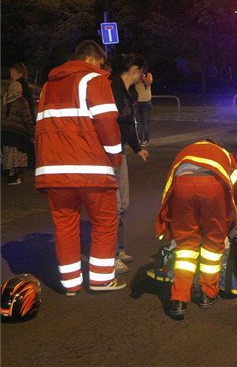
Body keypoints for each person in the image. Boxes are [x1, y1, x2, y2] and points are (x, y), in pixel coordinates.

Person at [35, 40, 125, 295]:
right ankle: (101, 279)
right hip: (91, 168)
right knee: (105, 223)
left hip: (54, 171)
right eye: (101, 63)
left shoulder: (48, 86)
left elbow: (41, 127)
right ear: (92, 59)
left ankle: (70, 284)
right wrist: (115, 158)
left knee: (65, 226)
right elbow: (107, 123)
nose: (102, 68)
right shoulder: (92, 79)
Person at [155, 139, 237, 319]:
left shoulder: (186, 152)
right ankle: (208, 294)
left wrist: (171, 226)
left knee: (185, 249)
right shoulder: (228, 158)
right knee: (212, 247)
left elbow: (169, 189)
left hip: (182, 186)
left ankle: (179, 299)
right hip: (212, 187)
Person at [109, 54, 149, 274]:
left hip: (120, 150)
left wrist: (136, 147)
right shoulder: (111, 89)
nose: (141, 77)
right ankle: (112, 255)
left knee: (122, 204)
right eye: (141, 72)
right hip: (108, 153)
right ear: (135, 70)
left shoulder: (128, 93)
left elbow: (129, 124)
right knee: (114, 205)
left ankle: (120, 248)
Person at [1, 64, 35, 185]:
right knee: (18, 150)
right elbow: (27, 115)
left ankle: (11, 173)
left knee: (9, 150)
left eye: (13, 72)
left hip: (6, 129)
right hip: (18, 129)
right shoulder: (21, 99)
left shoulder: (5, 99)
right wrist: (32, 130)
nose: (11, 75)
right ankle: (14, 174)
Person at [134, 70, 153, 147]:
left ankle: (146, 140)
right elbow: (132, 83)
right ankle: (139, 139)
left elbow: (148, 83)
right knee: (138, 122)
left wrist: (143, 76)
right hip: (137, 102)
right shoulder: (135, 75)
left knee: (145, 122)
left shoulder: (148, 74)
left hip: (146, 102)